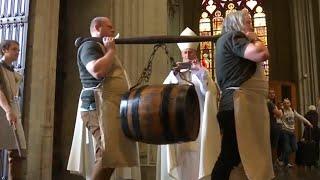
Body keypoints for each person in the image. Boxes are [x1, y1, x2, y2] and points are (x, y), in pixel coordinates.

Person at [67, 17, 140, 180]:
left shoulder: (101, 46)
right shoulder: (89, 45)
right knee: (107, 153)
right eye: (109, 27)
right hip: (96, 107)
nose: (113, 30)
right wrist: (111, 51)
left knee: (110, 155)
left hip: (107, 106)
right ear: (98, 27)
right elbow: (97, 70)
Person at [211, 10, 273, 180]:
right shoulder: (233, 36)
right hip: (237, 105)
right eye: (247, 22)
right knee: (229, 155)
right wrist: (254, 38)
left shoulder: (229, 38)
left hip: (240, 104)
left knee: (235, 155)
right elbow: (261, 54)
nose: (251, 26)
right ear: (237, 24)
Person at [157, 27, 220, 180]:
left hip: (198, 122)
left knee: (198, 154)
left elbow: (210, 92)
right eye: (185, 52)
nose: (187, 55)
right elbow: (164, 91)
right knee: (180, 154)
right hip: (179, 122)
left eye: (190, 52)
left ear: (195, 53)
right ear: (181, 54)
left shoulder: (202, 72)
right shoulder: (175, 73)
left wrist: (199, 72)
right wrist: (174, 74)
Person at [0, 40, 26, 180]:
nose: (17, 52)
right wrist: (8, 110)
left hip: (12, 110)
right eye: (14, 49)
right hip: (3, 110)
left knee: (17, 151)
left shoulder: (13, 71)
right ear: (4, 50)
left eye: (18, 49)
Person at [279, 98, 313, 168]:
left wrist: (308, 123)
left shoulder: (293, 111)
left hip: (292, 132)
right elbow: (277, 118)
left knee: (295, 148)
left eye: (287, 103)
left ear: (290, 103)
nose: (286, 104)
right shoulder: (281, 111)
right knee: (287, 149)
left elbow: (300, 117)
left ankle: (281, 158)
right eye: (285, 103)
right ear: (283, 104)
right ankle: (286, 162)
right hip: (285, 131)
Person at [267, 89, 283, 168]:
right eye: (270, 93)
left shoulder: (270, 103)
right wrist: (280, 109)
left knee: (272, 145)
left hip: (270, 125)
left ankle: (273, 162)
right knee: (273, 145)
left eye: (273, 93)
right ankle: (272, 164)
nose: (272, 94)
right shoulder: (269, 103)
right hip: (272, 126)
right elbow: (279, 114)